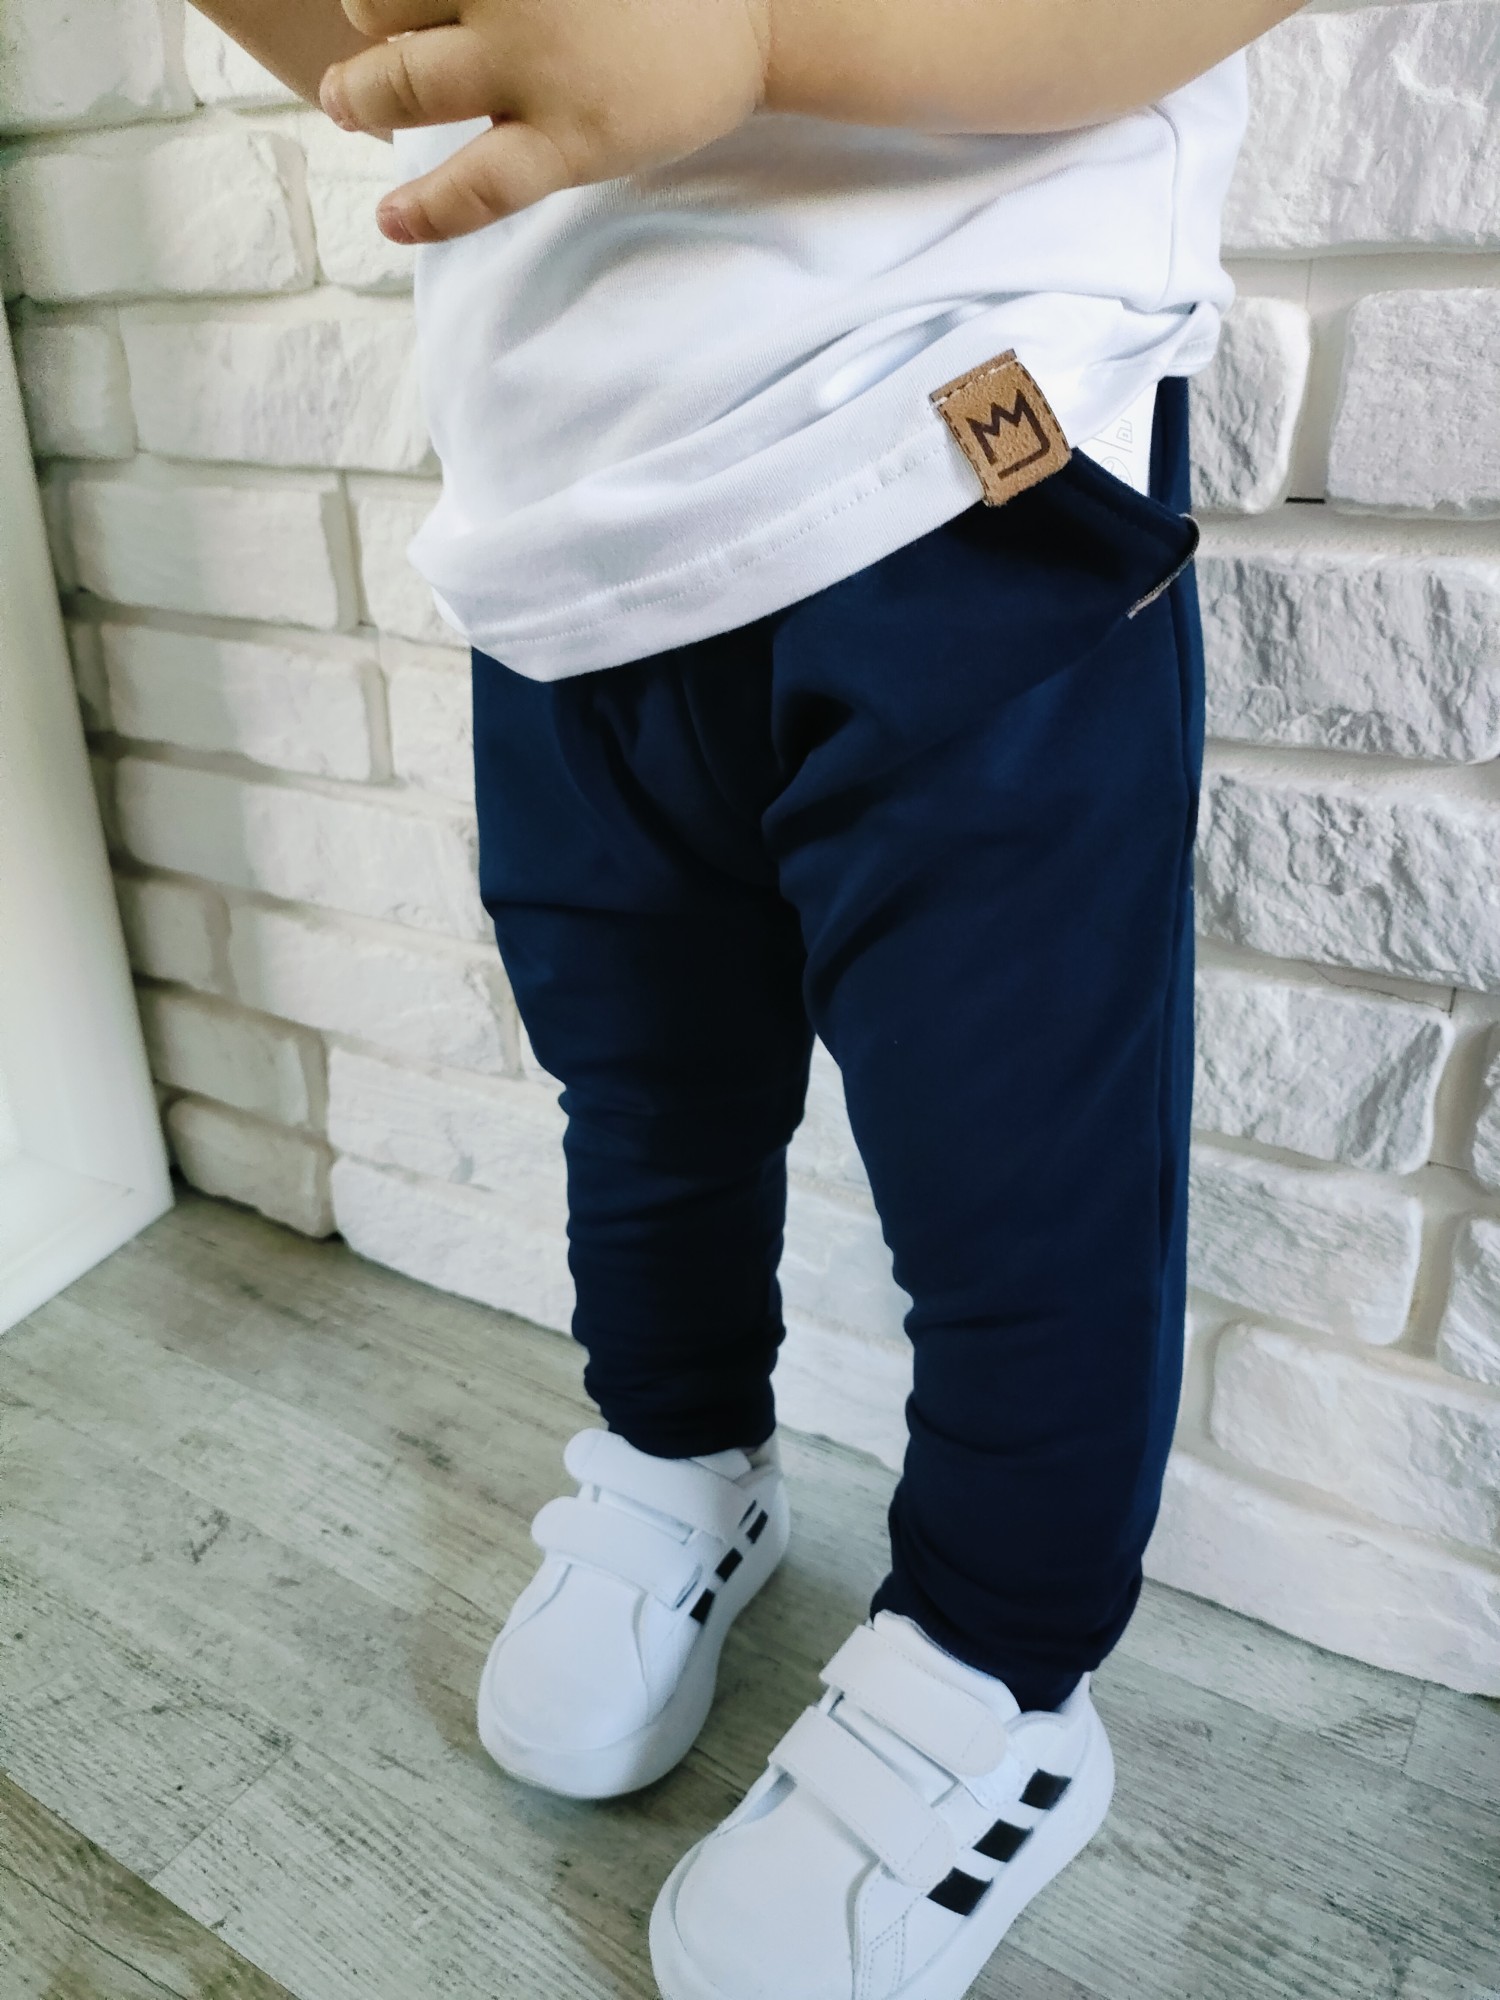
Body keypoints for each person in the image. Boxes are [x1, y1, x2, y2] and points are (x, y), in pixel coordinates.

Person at [191, 5, 1303, 1994]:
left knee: (1013, 1169)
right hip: (562, 524)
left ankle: (994, 1671)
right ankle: (676, 1451)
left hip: (957, 441)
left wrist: (760, 33)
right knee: (638, 1089)